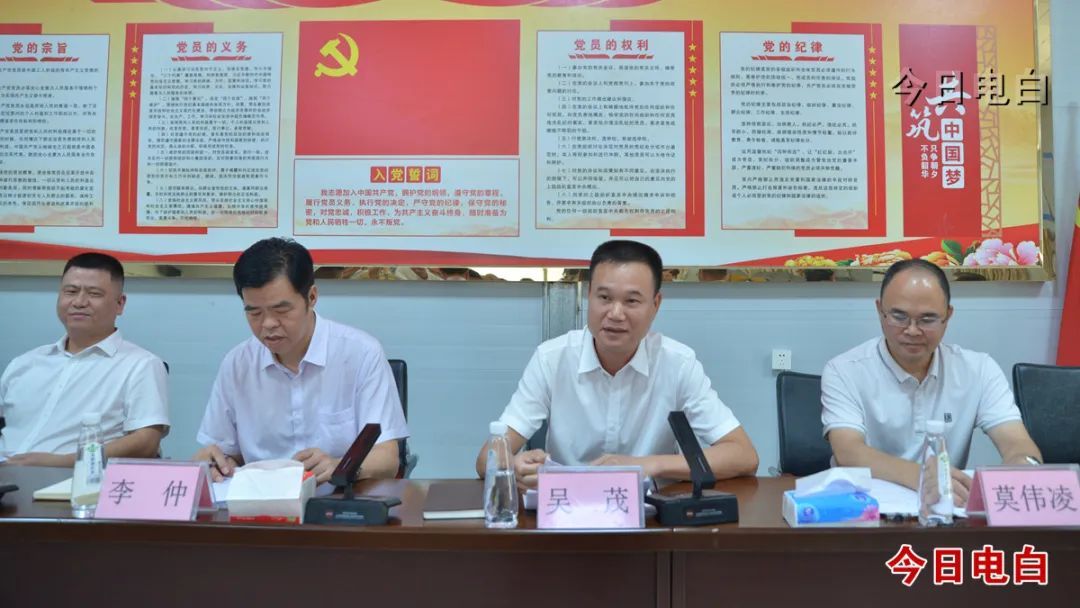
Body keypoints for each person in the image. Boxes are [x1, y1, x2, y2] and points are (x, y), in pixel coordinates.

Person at [475, 240, 759, 488]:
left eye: (631, 301)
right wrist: (514, 465)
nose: (615, 313)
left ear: (655, 305)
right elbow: (487, 458)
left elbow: (743, 455)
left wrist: (649, 465)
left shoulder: (678, 363)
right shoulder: (551, 359)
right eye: (604, 298)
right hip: (567, 509)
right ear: (588, 296)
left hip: (652, 515)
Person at [822, 258, 1042, 505]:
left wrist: (1024, 466)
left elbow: (1016, 441)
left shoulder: (979, 369)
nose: (912, 330)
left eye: (927, 319)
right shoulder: (844, 370)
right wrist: (923, 477)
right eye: (899, 316)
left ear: (948, 316)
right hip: (865, 510)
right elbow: (848, 451)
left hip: (945, 511)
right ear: (879, 310)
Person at [195, 238, 407, 483]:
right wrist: (216, 463)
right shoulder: (237, 364)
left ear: (312, 297)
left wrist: (338, 467)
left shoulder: (361, 354)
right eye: (254, 313)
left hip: (337, 497)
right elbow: (225, 452)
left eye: (281, 310)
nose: (268, 324)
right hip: (262, 501)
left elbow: (387, 457)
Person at [0, 252, 169, 465]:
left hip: (75, 479)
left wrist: (61, 463)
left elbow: (146, 443)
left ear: (120, 304)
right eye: (70, 291)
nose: (79, 302)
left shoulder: (140, 365)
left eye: (94, 294)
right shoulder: (24, 363)